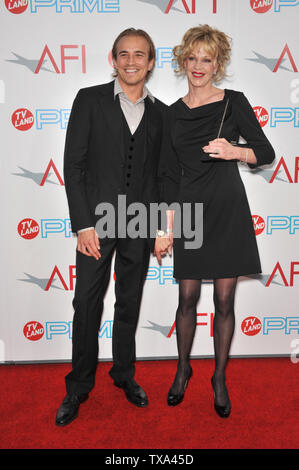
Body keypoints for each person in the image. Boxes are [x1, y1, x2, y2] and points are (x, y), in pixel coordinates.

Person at [157, 24, 275, 418]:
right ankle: (182, 368)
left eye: (206, 59)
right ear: (182, 60)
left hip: (227, 209)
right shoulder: (171, 114)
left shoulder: (233, 102)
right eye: (192, 58)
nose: (198, 66)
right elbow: (168, 175)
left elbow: (266, 152)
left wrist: (235, 151)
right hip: (190, 212)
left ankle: (219, 377)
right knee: (186, 298)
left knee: (224, 300)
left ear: (218, 63)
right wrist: (163, 227)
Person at [56, 28, 170, 426]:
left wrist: (160, 226)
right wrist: (83, 223)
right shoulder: (89, 100)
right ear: (113, 58)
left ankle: (124, 374)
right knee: (86, 304)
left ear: (151, 61)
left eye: (140, 55)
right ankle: (78, 387)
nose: (132, 61)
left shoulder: (161, 113)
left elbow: (160, 177)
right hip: (96, 225)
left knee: (129, 303)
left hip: (140, 224)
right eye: (124, 54)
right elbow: (74, 166)